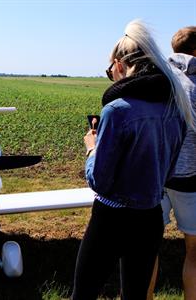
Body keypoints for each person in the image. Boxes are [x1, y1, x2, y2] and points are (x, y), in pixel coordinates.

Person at [72, 20, 195, 300]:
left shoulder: (117, 110)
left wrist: (92, 148)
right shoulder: (177, 107)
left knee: (84, 292)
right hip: (150, 217)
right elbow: (169, 168)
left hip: (111, 217)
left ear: (119, 64)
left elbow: (99, 181)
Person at [151, 26, 196, 300]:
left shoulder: (155, 81)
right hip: (189, 179)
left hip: (153, 178)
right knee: (194, 251)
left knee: (146, 249)